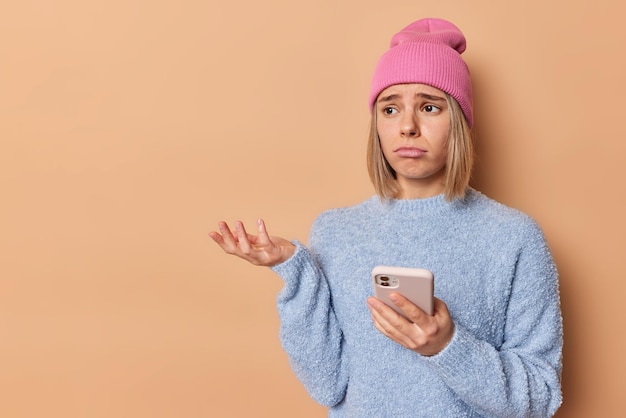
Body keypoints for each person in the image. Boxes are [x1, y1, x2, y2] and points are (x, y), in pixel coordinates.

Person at [209, 17, 563, 417]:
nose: (408, 127)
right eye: (390, 108)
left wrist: (448, 346)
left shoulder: (513, 238)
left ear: (460, 121)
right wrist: (296, 271)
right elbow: (327, 384)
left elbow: (542, 397)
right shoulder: (336, 232)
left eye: (429, 107)